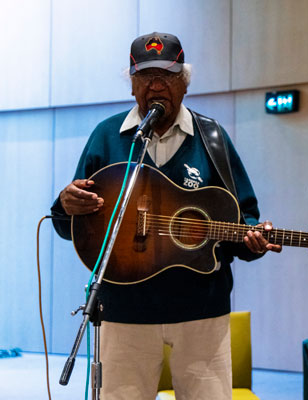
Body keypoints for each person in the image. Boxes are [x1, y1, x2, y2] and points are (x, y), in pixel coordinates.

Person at [50, 32, 281, 400]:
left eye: (168, 76)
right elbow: (72, 226)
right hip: (125, 310)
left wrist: (253, 239)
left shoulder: (212, 138)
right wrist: (65, 204)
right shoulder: (107, 136)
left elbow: (244, 217)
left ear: (185, 84)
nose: (156, 85)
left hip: (201, 311)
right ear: (132, 85)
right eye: (145, 76)